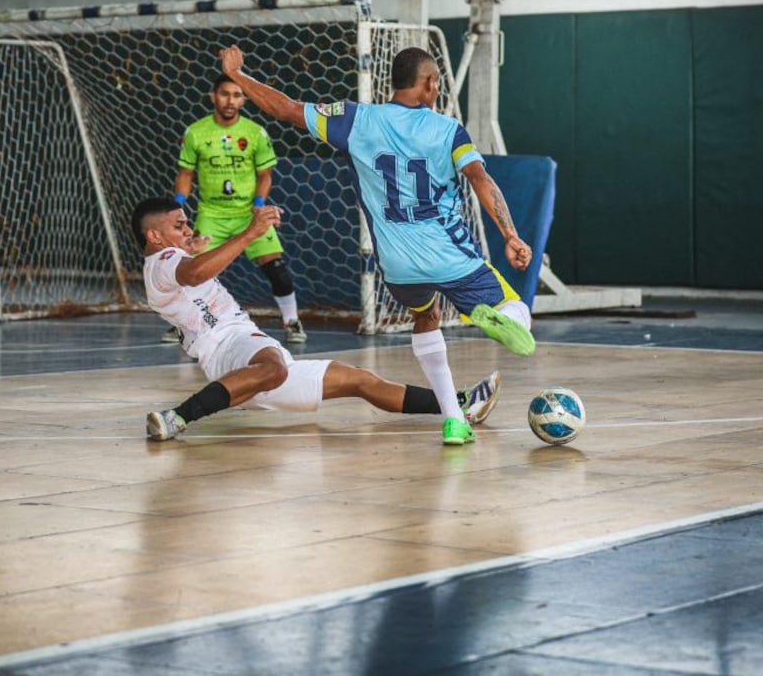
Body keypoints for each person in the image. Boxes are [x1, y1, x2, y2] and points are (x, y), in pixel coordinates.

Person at [218, 45, 537, 446]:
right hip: (450, 255)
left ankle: (454, 421)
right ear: (431, 83)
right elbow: (480, 180)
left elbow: (285, 108)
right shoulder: (448, 130)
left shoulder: (356, 119)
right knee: (517, 306)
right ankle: (501, 319)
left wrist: (238, 75)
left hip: (398, 266)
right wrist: (510, 235)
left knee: (426, 318)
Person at [131, 196, 501, 442]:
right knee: (273, 366)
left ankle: (457, 403)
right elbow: (192, 274)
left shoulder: (169, 261)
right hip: (229, 349)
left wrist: (192, 249)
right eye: (179, 225)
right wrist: (252, 232)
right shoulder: (163, 262)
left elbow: (192, 272)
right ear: (154, 235)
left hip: (238, 363)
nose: (188, 229)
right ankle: (177, 417)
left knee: (359, 379)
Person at [164, 74, 306, 345]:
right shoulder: (195, 132)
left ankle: (292, 321)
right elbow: (185, 173)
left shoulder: (255, 132)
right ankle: (182, 323)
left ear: (244, 99)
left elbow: (265, 175)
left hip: (247, 213)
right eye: (225, 94)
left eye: (237, 95)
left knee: (276, 267)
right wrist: (178, 208)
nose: (231, 101)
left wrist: (258, 206)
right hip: (211, 214)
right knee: (193, 270)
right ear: (213, 96)